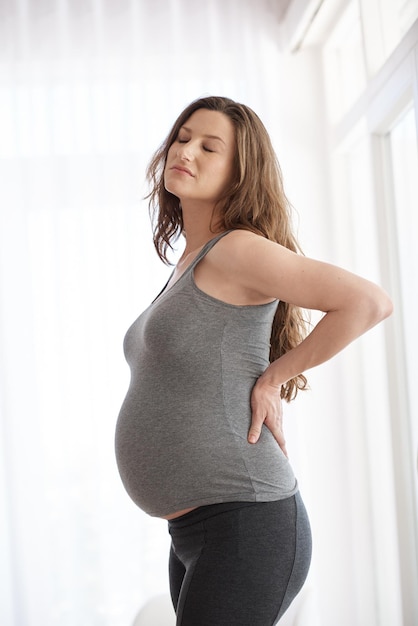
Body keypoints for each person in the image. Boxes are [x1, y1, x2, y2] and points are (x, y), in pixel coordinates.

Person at [115, 96, 393, 625]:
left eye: (209, 146)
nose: (186, 150)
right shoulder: (193, 261)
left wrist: (275, 378)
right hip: (196, 531)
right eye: (183, 137)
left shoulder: (236, 249)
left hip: (246, 522)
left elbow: (368, 301)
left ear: (239, 173)